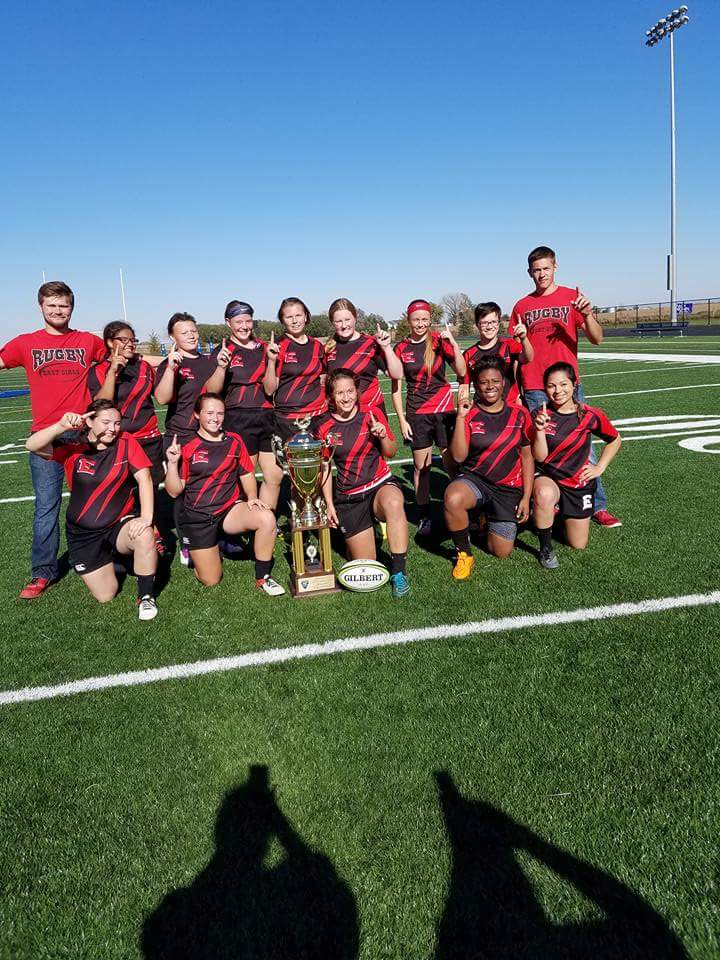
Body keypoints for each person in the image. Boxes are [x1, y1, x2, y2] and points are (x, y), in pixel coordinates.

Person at [0, 281, 106, 598]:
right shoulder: (25, 343)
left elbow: (119, 357)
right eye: (52, 305)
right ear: (41, 306)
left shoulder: (88, 341)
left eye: (64, 305)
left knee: (95, 499)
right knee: (46, 508)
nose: (58, 311)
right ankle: (42, 573)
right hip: (45, 437)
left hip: (81, 434)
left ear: (71, 308)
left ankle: (104, 556)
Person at [509, 245, 622, 527]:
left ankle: (596, 505)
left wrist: (589, 314)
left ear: (555, 267)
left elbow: (598, 339)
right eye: (536, 270)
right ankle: (552, 502)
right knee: (543, 448)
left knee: (586, 447)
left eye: (546, 268)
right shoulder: (522, 306)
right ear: (529, 272)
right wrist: (518, 391)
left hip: (570, 385)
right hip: (535, 386)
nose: (541, 274)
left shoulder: (572, 298)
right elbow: (516, 354)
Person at [24, 400, 158, 620]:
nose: (112, 429)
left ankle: (145, 596)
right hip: (83, 534)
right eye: (106, 422)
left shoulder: (126, 442)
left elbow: (144, 478)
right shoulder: (72, 445)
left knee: (144, 535)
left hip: (118, 524)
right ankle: (120, 561)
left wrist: (146, 518)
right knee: (106, 595)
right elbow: (31, 445)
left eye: (117, 423)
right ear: (89, 421)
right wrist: (60, 426)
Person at [164, 393, 285, 595]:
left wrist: (252, 497)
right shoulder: (187, 446)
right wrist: (172, 463)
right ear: (196, 414)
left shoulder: (234, 441)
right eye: (209, 412)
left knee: (266, 518)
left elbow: (246, 472)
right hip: (199, 517)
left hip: (228, 510)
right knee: (211, 580)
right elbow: (174, 490)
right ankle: (198, 550)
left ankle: (263, 577)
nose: (215, 417)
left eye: (220, 413)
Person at [314, 369, 410, 597]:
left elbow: (392, 451)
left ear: (357, 392)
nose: (346, 398)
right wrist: (329, 504)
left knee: (394, 502)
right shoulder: (323, 426)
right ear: (331, 397)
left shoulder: (371, 414)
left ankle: (399, 572)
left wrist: (382, 435)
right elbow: (325, 466)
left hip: (379, 485)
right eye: (340, 393)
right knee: (365, 562)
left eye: (350, 391)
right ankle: (365, 531)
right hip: (349, 496)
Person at [443, 358, 534, 580]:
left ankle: (485, 516)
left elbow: (527, 456)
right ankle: (464, 553)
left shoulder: (519, 413)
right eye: (484, 382)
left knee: (501, 552)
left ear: (504, 383)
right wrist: (461, 418)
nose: (490, 386)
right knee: (453, 497)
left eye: (495, 381)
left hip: (507, 488)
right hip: (477, 481)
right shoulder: (469, 413)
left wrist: (526, 497)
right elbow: (458, 456)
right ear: (476, 385)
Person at [531, 362, 622, 570]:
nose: (557, 391)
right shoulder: (540, 413)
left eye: (563, 384)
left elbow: (615, 440)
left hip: (576, 483)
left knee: (578, 544)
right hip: (548, 476)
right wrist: (539, 430)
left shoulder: (590, 414)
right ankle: (545, 547)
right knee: (544, 494)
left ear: (574, 385)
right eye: (551, 386)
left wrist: (599, 468)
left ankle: (560, 513)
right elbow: (539, 456)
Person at [391, 298, 466, 537]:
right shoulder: (401, 348)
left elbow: (463, 372)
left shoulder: (439, 342)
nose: (420, 323)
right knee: (421, 467)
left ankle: (461, 507)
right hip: (417, 414)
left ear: (430, 319)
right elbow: (396, 388)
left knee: (451, 463)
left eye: (424, 319)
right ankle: (425, 515)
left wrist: (454, 346)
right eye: (416, 319)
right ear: (408, 320)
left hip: (444, 411)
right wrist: (402, 420)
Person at [88, 321, 166, 550]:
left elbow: (160, 397)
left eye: (133, 340)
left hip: (149, 439)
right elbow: (101, 405)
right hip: (117, 440)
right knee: (120, 491)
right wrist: (113, 372)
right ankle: (120, 535)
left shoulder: (143, 367)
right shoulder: (98, 370)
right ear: (110, 342)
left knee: (149, 488)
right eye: (124, 339)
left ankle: (153, 530)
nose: (131, 344)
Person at [203, 301, 279, 508]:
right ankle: (243, 522)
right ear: (228, 323)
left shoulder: (265, 348)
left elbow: (271, 389)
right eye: (238, 321)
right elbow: (211, 390)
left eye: (248, 320)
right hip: (238, 418)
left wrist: (272, 362)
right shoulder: (224, 350)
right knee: (246, 477)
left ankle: (267, 521)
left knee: (275, 476)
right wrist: (220, 367)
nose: (244, 326)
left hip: (266, 417)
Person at [154, 312, 216, 564]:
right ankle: (187, 542)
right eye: (184, 331)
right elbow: (162, 398)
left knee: (210, 487)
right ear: (172, 337)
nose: (191, 335)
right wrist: (170, 368)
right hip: (180, 435)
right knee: (181, 492)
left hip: (209, 435)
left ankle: (212, 536)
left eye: (193, 330)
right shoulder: (169, 364)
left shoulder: (209, 361)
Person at [263, 297, 327, 442]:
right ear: (282, 320)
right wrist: (272, 361)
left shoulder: (317, 346)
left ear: (306, 316)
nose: (294, 321)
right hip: (288, 420)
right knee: (293, 464)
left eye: (298, 315)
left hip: (319, 416)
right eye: (289, 317)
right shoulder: (279, 346)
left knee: (323, 463)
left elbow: (323, 379)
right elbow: (269, 390)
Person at [324, 298, 403, 412]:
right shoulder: (327, 348)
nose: (344, 325)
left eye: (347, 319)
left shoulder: (370, 343)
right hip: (340, 414)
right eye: (338, 321)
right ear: (332, 322)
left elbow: (397, 374)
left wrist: (386, 347)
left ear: (355, 318)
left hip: (372, 412)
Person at [459, 301, 533, 405]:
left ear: (498, 323)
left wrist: (524, 339)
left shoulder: (508, 345)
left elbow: (528, 357)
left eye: (493, 322)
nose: (489, 327)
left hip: (509, 407)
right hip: (482, 410)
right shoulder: (469, 354)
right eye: (484, 323)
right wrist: (463, 406)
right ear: (477, 324)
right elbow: (464, 384)